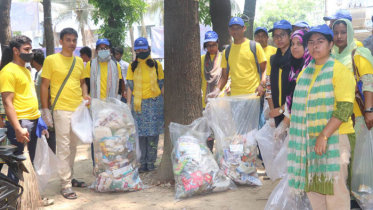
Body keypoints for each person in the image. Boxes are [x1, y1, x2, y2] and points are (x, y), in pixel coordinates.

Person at [287, 24, 355, 210]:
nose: (315, 46)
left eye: (320, 41)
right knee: (315, 191)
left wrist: (323, 135)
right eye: (311, 42)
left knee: (335, 191)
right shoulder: (305, 72)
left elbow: (344, 109)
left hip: (335, 138)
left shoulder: (339, 71)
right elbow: (297, 106)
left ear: (331, 44)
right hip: (308, 141)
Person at [41, 28, 90, 199]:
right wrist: (45, 109)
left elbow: (82, 82)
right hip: (61, 109)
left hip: (78, 109)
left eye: (74, 40)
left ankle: (69, 176)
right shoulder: (51, 60)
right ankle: (66, 184)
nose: (72, 43)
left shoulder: (78, 62)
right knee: (63, 147)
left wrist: (85, 95)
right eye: (68, 40)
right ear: (60, 41)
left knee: (73, 146)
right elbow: (44, 86)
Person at [0, 35, 49, 182]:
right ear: (15, 50)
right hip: (21, 123)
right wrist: (17, 128)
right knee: (18, 166)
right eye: (26, 49)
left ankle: (27, 199)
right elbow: (8, 103)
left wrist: (39, 117)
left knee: (29, 163)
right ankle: (14, 202)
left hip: (32, 120)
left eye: (30, 48)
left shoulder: (26, 70)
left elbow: (29, 96)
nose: (30, 52)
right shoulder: (8, 71)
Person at [126, 37, 164, 173]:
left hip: (155, 104)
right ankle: (142, 162)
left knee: (153, 135)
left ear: (148, 49)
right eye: (138, 49)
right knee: (141, 135)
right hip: (139, 105)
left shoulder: (157, 65)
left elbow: (161, 84)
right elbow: (130, 86)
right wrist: (128, 104)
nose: (141, 51)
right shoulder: (132, 66)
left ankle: (151, 162)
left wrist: (166, 104)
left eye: (143, 49)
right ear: (135, 51)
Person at [84, 38, 122, 168]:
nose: (103, 50)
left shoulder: (116, 65)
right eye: (100, 48)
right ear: (96, 50)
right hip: (95, 106)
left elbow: (120, 85)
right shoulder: (90, 65)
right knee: (96, 136)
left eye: (106, 48)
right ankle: (98, 164)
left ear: (110, 50)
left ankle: (110, 163)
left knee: (110, 135)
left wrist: (117, 104)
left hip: (111, 106)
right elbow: (86, 83)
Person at [207, 17, 267, 99]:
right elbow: (224, 77)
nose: (235, 31)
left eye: (238, 28)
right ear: (229, 30)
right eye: (233, 28)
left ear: (244, 28)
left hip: (253, 95)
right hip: (235, 97)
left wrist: (261, 85)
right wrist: (216, 91)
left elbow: (264, 69)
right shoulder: (227, 52)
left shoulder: (255, 46)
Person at [271, 29, 312, 141]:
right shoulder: (293, 68)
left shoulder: (309, 68)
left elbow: (299, 98)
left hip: (308, 122)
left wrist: (284, 122)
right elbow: (290, 96)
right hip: (294, 119)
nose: (294, 47)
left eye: (299, 44)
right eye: (293, 44)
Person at [266, 20, 292, 131]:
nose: (279, 39)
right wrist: (273, 111)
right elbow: (268, 86)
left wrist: (282, 110)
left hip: (292, 113)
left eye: (282, 35)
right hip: (277, 112)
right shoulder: (273, 59)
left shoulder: (296, 57)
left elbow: (298, 90)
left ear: (290, 35)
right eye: (275, 36)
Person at [201, 31, 223, 152]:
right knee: (208, 133)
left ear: (217, 44)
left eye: (214, 44)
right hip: (206, 101)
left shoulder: (223, 57)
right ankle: (209, 155)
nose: (212, 48)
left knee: (220, 131)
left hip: (220, 100)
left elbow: (227, 76)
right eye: (208, 46)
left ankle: (221, 156)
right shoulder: (201, 60)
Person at [31, 49, 56, 154]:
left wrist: (47, 111)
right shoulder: (39, 73)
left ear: (34, 61)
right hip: (42, 110)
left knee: (49, 137)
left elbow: (49, 92)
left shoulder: (43, 73)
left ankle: (51, 163)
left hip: (45, 111)